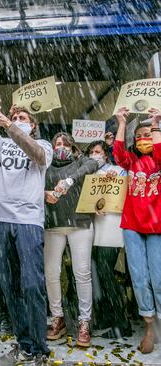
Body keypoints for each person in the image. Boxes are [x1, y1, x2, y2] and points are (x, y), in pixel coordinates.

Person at [0, 76, 52, 366]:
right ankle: (25, 344)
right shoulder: (2, 144)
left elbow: (38, 156)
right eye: (15, 115)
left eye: (23, 117)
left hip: (28, 221)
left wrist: (10, 124)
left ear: (33, 124)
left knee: (32, 284)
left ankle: (41, 349)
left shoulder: (42, 143)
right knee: (10, 286)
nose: (17, 119)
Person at [113, 106, 161, 354]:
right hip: (132, 225)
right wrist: (122, 123)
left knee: (159, 279)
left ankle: (160, 326)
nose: (145, 139)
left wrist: (156, 125)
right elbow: (118, 154)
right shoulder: (132, 161)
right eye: (140, 135)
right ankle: (149, 327)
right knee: (140, 279)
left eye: (149, 135)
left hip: (157, 227)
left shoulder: (159, 159)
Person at [44, 132, 98, 347]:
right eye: (57, 143)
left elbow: (93, 163)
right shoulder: (46, 165)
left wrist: (69, 179)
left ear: (73, 147)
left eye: (65, 143)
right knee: (51, 273)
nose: (61, 146)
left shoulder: (81, 162)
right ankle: (57, 318)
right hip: (53, 225)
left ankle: (85, 321)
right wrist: (43, 193)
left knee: (82, 273)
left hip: (80, 223)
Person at [85, 140, 132, 338]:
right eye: (91, 152)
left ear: (106, 154)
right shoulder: (87, 173)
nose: (94, 155)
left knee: (108, 277)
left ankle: (122, 324)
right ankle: (106, 317)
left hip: (111, 230)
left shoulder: (118, 171)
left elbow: (125, 194)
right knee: (98, 279)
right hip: (92, 230)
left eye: (98, 151)